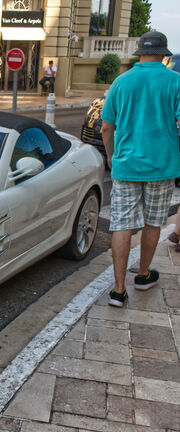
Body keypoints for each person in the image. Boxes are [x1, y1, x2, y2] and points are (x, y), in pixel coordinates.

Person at [100, 31, 180, 308]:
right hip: (162, 166)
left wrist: (111, 156)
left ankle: (118, 291)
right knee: (153, 222)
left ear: (139, 53)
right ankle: (143, 275)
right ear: (164, 54)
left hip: (126, 165)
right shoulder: (176, 82)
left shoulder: (121, 82)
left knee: (121, 225)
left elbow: (106, 127)